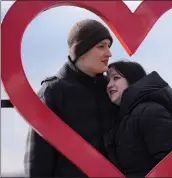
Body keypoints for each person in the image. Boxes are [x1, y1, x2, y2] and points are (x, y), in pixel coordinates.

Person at [23, 19, 120, 177]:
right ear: (81, 51)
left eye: (109, 46)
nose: (109, 53)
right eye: (101, 46)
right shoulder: (53, 91)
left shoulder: (111, 88)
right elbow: (38, 161)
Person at [104, 60, 172, 177]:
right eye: (108, 80)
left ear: (133, 79)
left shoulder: (151, 112)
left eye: (116, 78)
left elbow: (170, 165)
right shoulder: (123, 120)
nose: (109, 84)